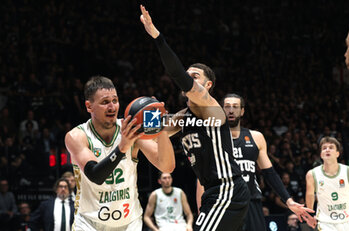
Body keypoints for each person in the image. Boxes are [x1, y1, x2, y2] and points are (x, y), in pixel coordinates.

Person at [140, 6, 250, 231]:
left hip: (227, 189)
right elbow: (152, 133)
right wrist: (150, 111)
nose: (188, 79)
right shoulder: (183, 117)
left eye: (195, 76)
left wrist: (157, 37)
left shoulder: (209, 105)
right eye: (188, 75)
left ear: (208, 85)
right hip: (213, 192)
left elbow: (176, 74)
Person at [64, 76, 175, 231]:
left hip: (130, 222)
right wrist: (122, 147)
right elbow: (96, 176)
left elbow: (166, 166)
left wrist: (161, 128)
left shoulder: (130, 129)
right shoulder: (77, 136)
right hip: (89, 223)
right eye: (105, 102)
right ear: (89, 106)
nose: (112, 107)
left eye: (115, 100)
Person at [211, 93, 314, 231]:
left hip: (251, 201)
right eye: (227, 107)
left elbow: (270, 173)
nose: (231, 110)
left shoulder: (256, 137)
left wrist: (288, 201)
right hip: (224, 202)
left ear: (242, 111)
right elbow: (203, 177)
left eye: (235, 107)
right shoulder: (212, 138)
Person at [305, 136, 349, 230]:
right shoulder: (312, 174)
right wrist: (310, 215)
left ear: (337, 153)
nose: (327, 150)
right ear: (321, 154)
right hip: (326, 222)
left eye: (331, 147)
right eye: (324, 148)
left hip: (348, 220)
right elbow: (310, 196)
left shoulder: (347, 171)